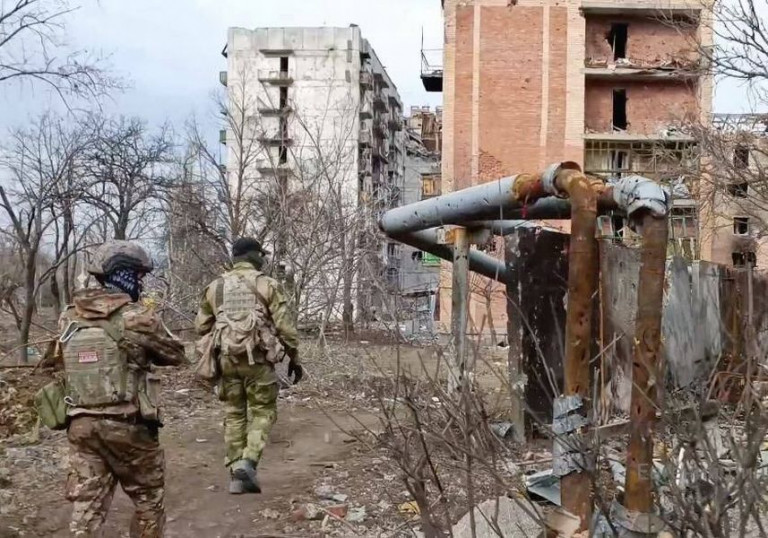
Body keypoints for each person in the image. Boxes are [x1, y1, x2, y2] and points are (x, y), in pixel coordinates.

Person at [57, 240, 186, 537]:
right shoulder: (138, 317)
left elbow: (58, 362)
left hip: (81, 426)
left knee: (86, 510)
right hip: (128, 426)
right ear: (123, 274)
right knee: (148, 502)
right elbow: (176, 355)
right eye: (138, 275)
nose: (141, 282)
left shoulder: (68, 317)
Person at [195, 237, 301, 494]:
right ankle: (248, 461)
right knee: (263, 411)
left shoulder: (215, 287)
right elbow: (286, 328)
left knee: (234, 414)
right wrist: (294, 358)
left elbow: (200, 326)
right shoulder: (267, 284)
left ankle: (236, 476)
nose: (263, 259)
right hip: (258, 361)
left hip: (226, 359)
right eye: (260, 255)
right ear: (253, 256)